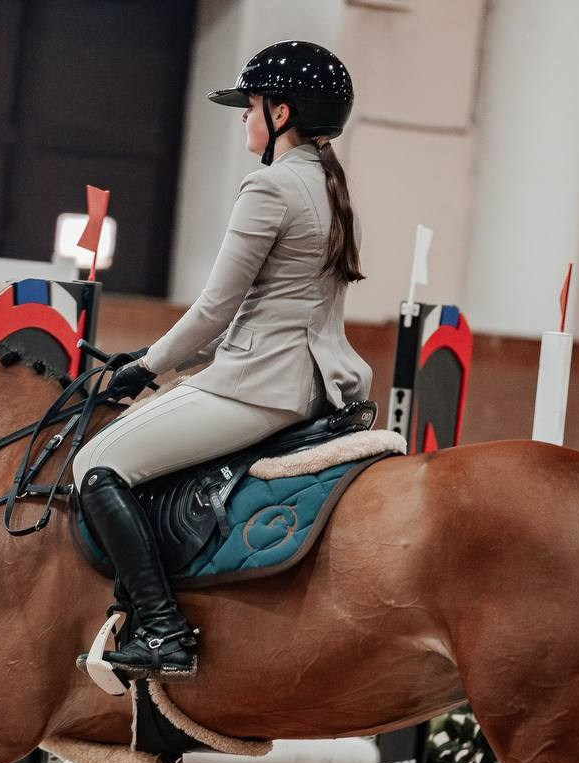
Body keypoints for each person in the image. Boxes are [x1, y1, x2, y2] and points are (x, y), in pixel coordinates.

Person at [72, 40, 373, 682]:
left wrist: (146, 367)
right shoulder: (326, 182)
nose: (244, 118)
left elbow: (214, 310)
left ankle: (162, 630)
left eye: (250, 107)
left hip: (258, 386)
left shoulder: (269, 185)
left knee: (95, 463)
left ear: (281, 112)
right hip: (313, 382)